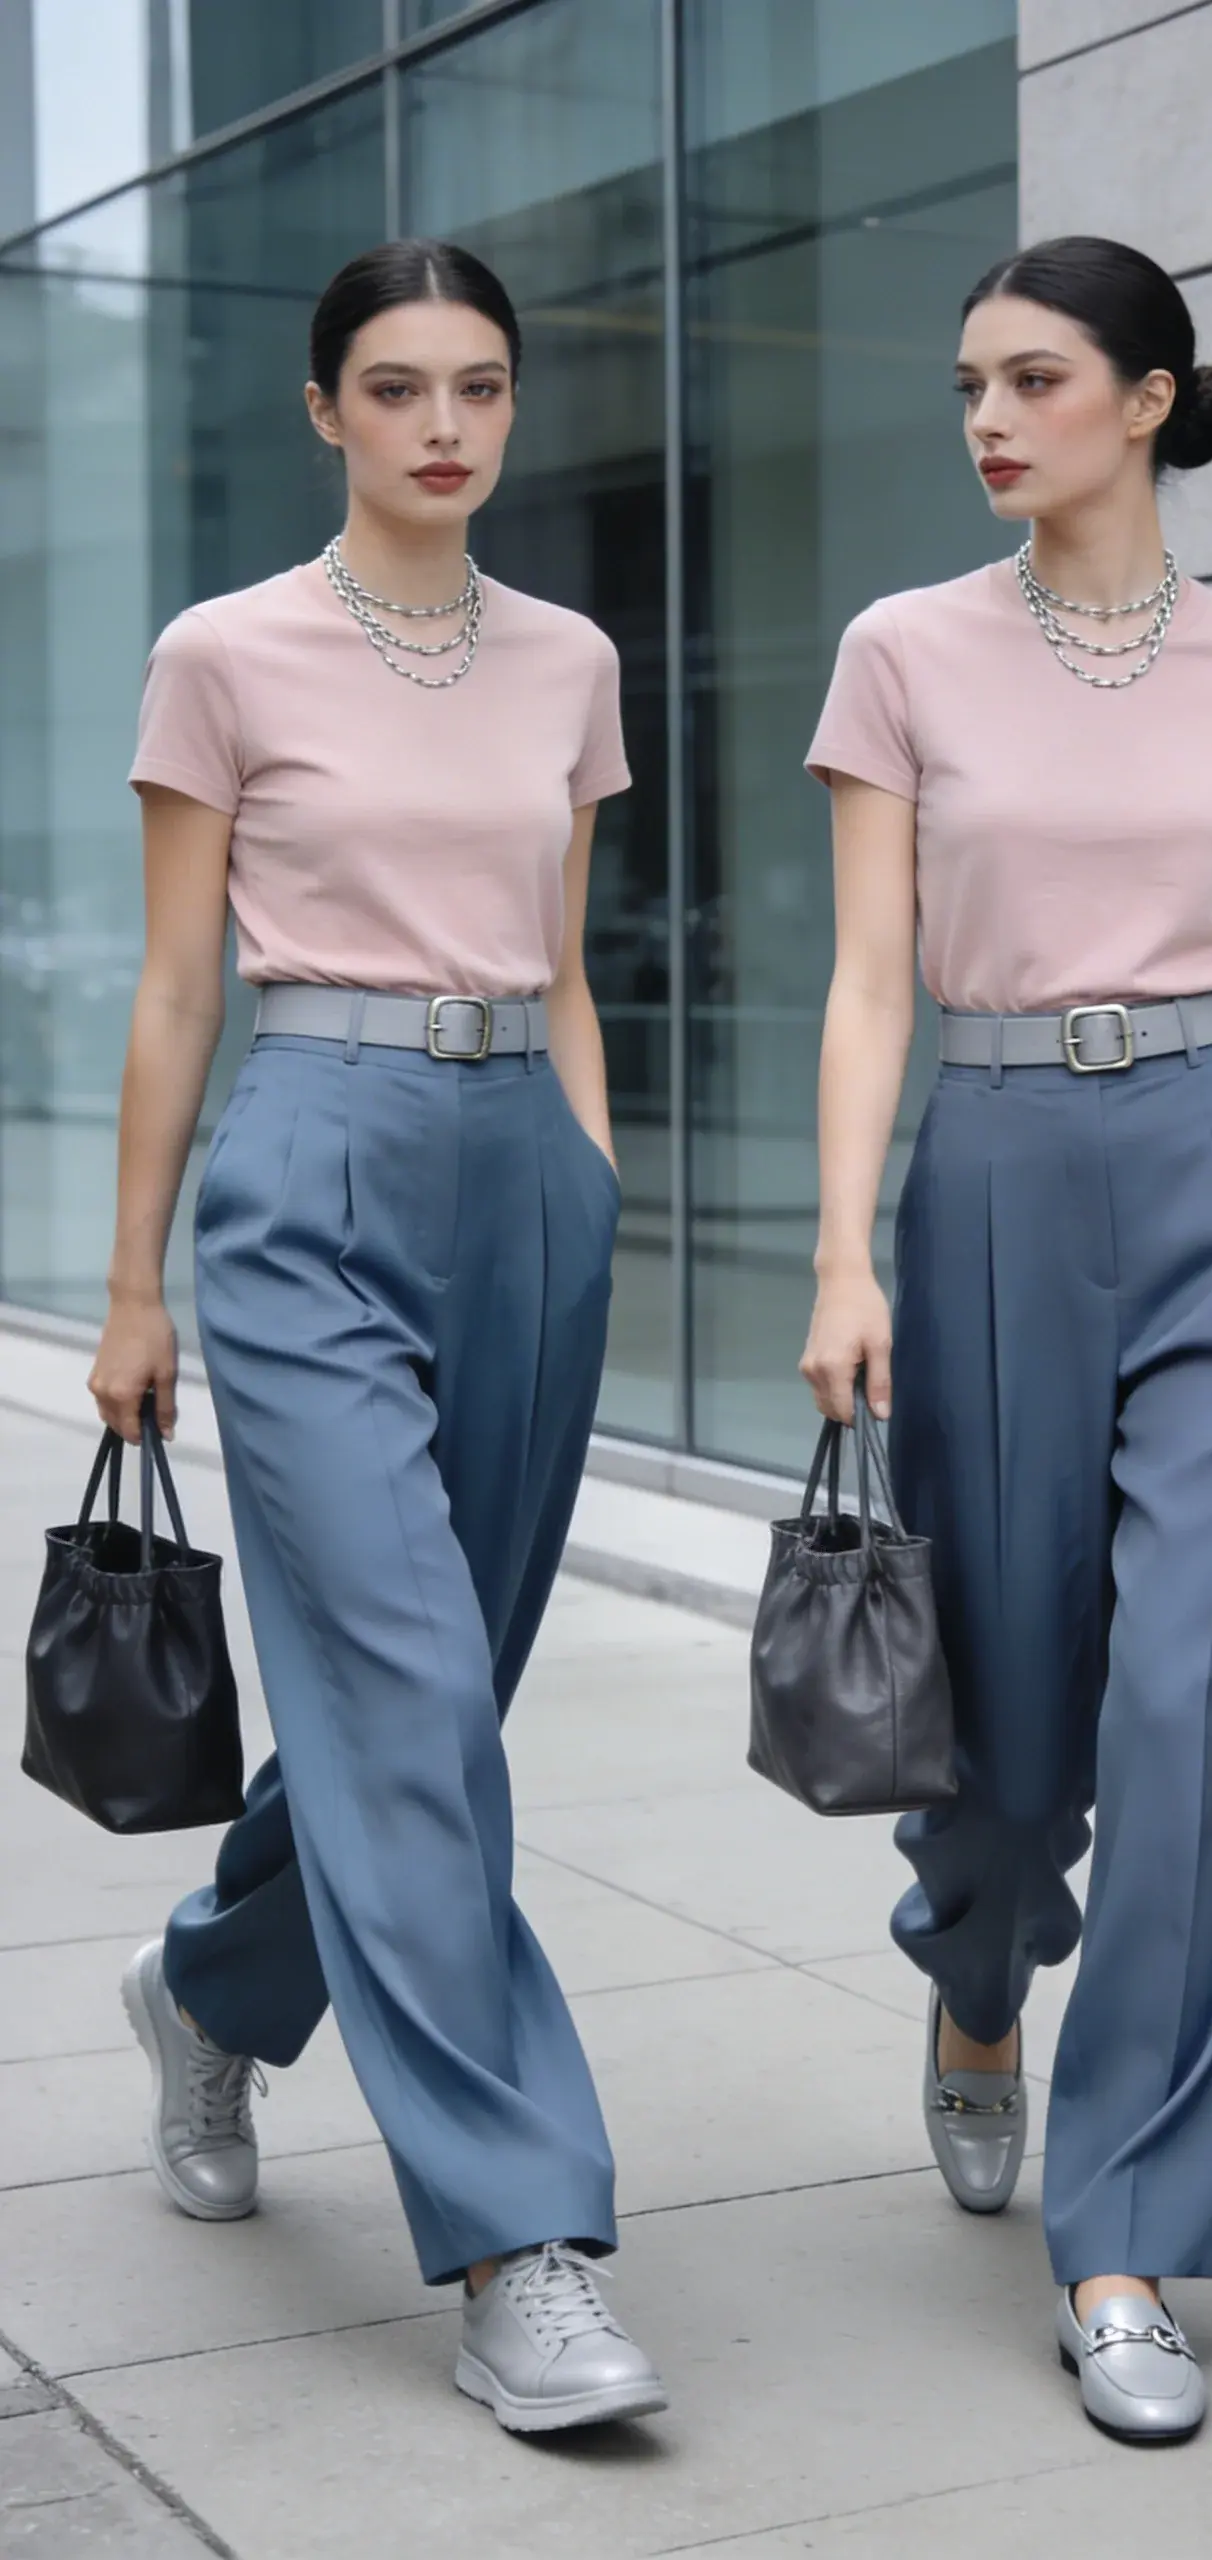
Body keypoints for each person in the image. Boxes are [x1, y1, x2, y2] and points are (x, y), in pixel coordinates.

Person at [90, 238, 666, 2436]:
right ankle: (525, 2234)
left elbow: (572, 953)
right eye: (401, 386)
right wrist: (135, 1279)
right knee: (413, 1693)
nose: (448, 423)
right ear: (326, 410)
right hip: (309, 1163)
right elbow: (173, 988)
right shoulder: (221, 652)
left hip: (524, 1160)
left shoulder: (574, 660)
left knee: (443, 1684)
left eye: (485, 387)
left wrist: (589, 1171)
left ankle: (213, 1985)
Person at [800, 235, 1212, 2444]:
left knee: (1203, 1714)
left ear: (1150, 397)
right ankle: (974, 1983)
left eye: (1034, 379)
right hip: (998, 1165)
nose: (990, 421)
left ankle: (1122, 2234)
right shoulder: (903, 648)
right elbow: (863, 981)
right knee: (1015, 1732)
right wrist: (843, 1254)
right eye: (967, 387)